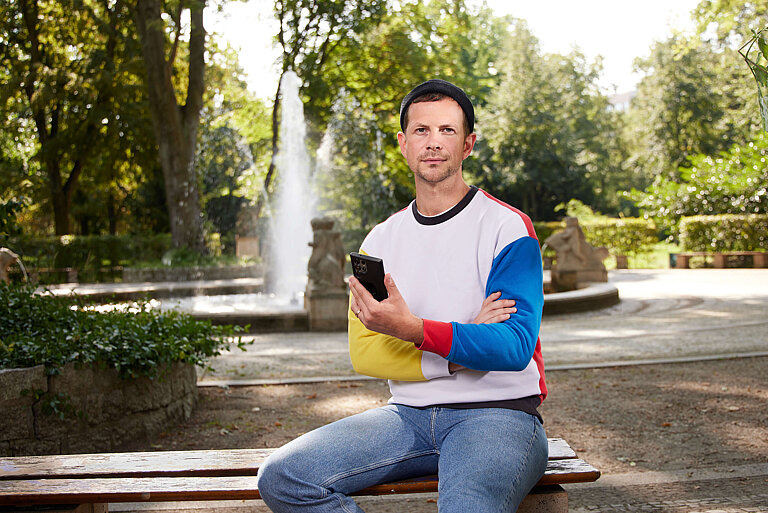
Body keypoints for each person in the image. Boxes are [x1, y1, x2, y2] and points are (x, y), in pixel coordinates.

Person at [257, 79, 548, 512]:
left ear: (468, 144)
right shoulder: (379, 240)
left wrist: (410, 330)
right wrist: (457, 351)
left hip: (498, 414)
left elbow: (513, 348)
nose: (433, 143)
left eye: (447, 131)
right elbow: (366, 353)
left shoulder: (507, 228)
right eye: (421, 131)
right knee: (284, 476)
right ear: (403, 144)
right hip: (406, 415)